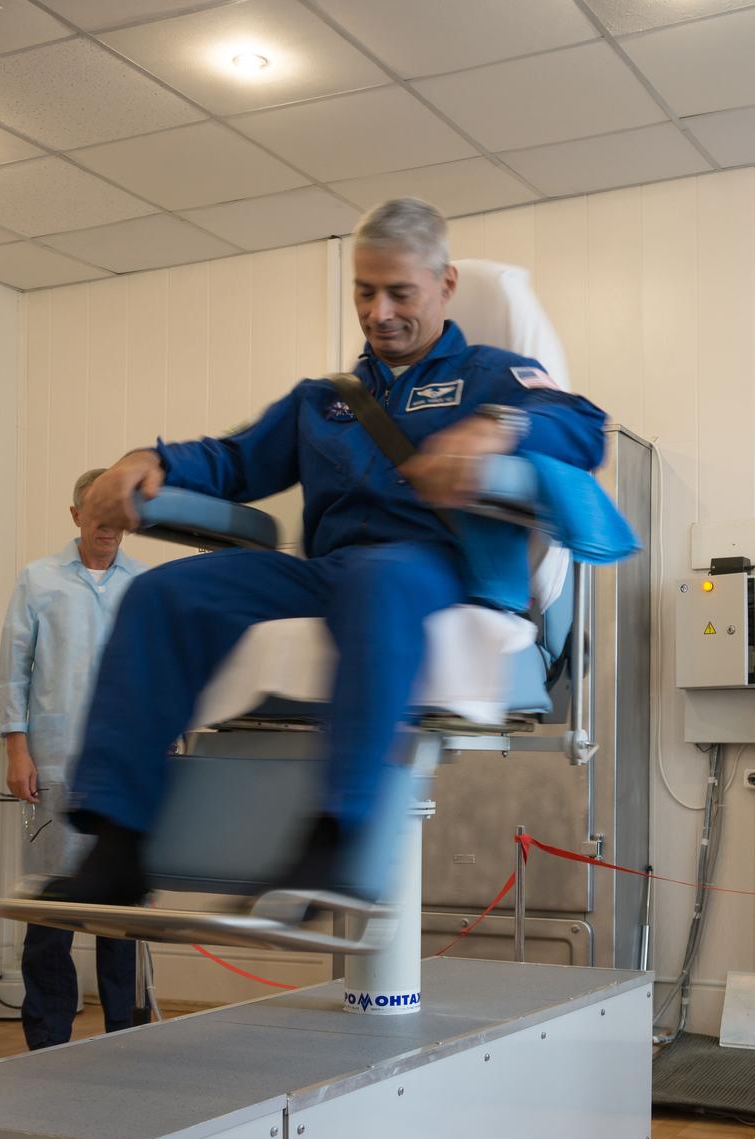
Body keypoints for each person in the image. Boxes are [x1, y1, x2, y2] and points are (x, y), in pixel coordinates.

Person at [40, 197, 609, 916]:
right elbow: (235, 460)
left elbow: (583, 428)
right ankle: (118, 842)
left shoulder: (493, 376)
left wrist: (495, 430)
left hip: (436, 571)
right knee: (165, 594)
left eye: (399, 292)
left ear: (445, 284)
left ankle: (338, 836)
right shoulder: (327, 400)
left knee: (377, 580)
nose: (378, 312)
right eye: (363, 291)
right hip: (329, 571)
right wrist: (147, 459)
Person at [0, 469, 146, 1048]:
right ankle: (47, 1039)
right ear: (76, 515)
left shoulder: (143, 584)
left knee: (122, 911)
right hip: (53, 764)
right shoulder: (38, 580)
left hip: (122, 769)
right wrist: (17, 748)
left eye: (117, 516)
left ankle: (124, 1038)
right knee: (52, 906)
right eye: (97, 513)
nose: (107, 526)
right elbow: (14, 670)